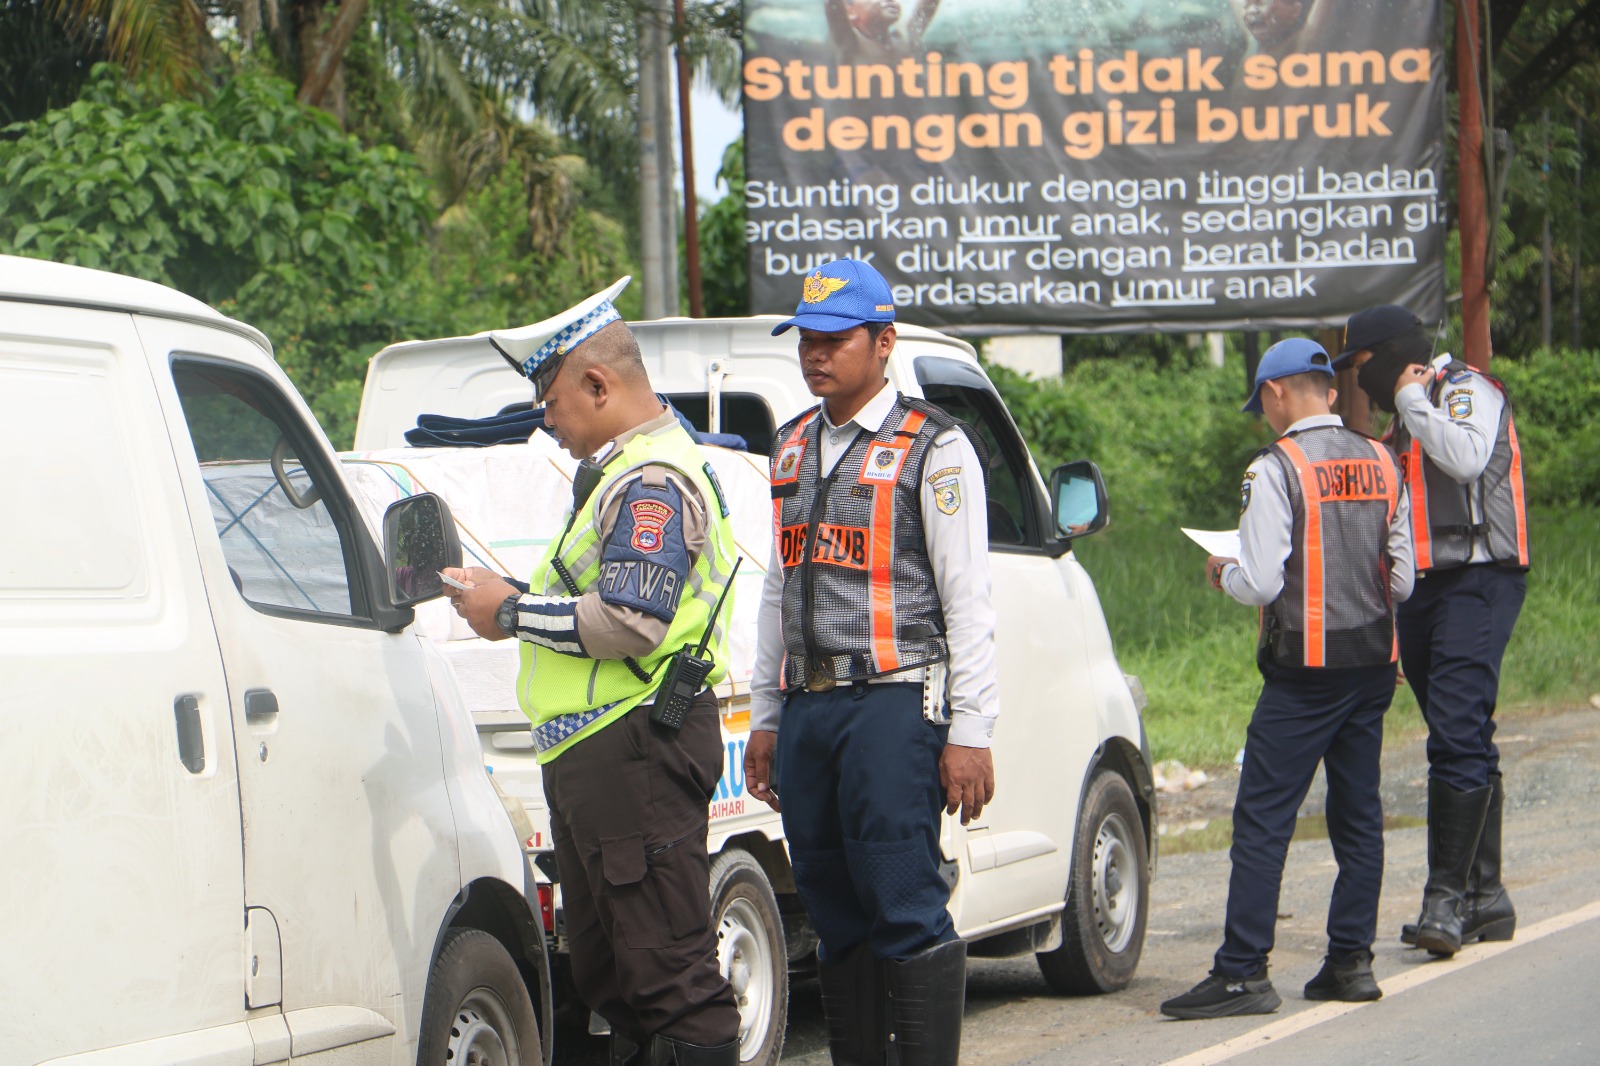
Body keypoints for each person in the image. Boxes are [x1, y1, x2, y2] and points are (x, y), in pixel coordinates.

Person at [445, 277, 740, 1066]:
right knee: (620, 980)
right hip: (606, 755)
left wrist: (508, 611)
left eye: (550, 400)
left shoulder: (650, 482)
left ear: (597, 384)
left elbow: (630, 621)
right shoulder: (625, 473)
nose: (547, 420)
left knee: (671, 981)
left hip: (633, 750)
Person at [741, 258, 998, 1065]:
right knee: (831, 905)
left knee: (905, 904)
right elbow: (778, 588)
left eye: (835, 339)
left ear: (883, 343)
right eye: (806, 341)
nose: (817, 355)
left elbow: (968, 599)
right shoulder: (788, 448)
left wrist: (971, 729)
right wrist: (767, 714)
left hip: (892, 704)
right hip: (810, 712)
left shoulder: (935, 447)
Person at [1161, 337, 1414, 1020]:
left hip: (1304, 670)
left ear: (1275, 392)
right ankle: (1350, 962)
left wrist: (1224, 574)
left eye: (1262, 402)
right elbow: (1405, 577)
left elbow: (1264, 578)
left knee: (1264, 818)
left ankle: (1244, 971)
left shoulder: (1277, 467)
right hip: (1371, 665)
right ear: (1327, 391)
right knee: (1357, 815)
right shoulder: (1383, 459)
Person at [1336, 305, 1530, 958]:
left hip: (1479, 582)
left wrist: (1413, 397)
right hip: (1422, 596)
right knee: (1466, 731)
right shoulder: (1402, 421)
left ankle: (1444, 901)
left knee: (1454, 729)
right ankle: (1485, 896)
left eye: (1362, 367)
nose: (1360, 383)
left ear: (1391, 355)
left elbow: (1469, 459)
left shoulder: (1464, 391)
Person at [825, 0, 941, 59]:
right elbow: (833, 6)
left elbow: (929, 4)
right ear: (851, 12)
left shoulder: (904, 40)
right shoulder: (847, 44)